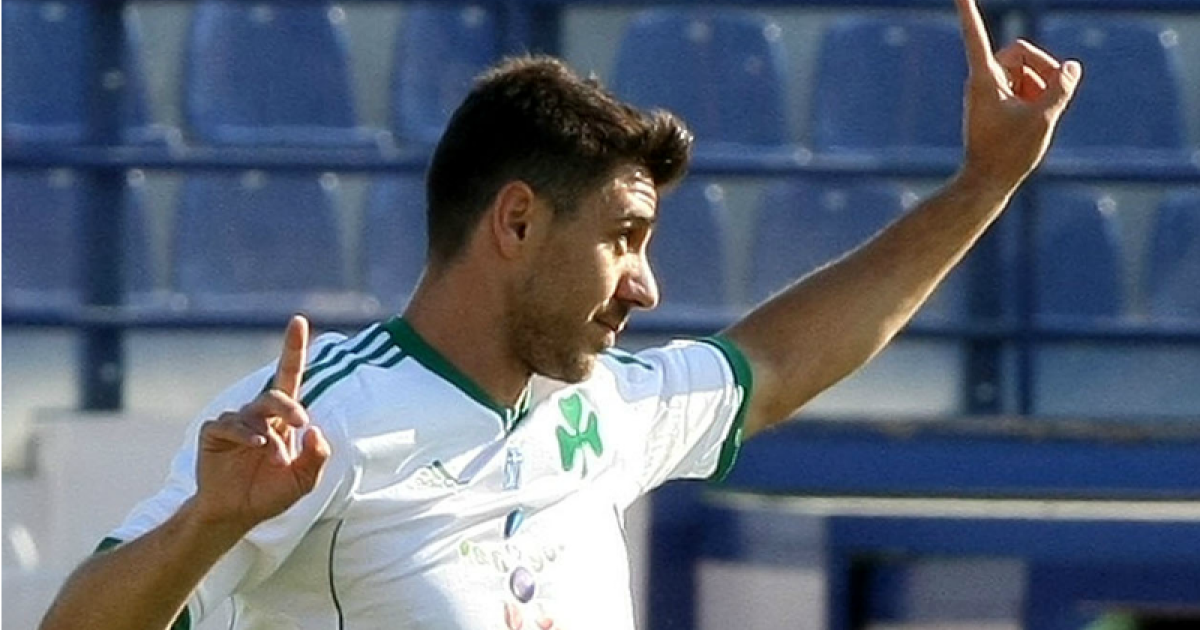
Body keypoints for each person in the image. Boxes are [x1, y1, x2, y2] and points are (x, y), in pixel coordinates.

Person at [40, 1, 1082, 628]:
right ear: (518, 222)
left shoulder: (606, 408)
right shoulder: (323, 424)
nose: (646, 285)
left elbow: (773, 365)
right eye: (626, 237)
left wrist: (982, 184)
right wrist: (209, 524)